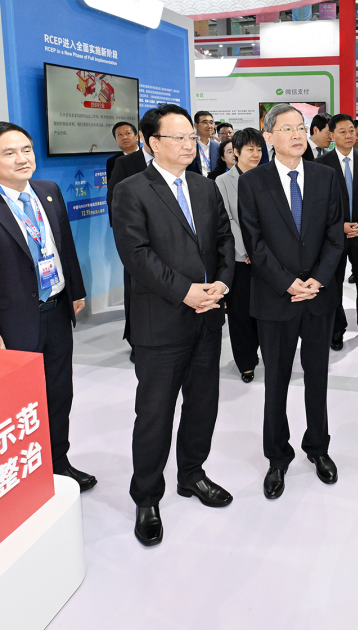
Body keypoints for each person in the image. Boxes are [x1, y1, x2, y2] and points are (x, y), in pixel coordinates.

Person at [0, 121, 95, 492]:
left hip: (56, 312)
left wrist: (74, 291)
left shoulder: (48, 191)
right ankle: (24, 472)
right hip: (9, 325)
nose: (22, 158)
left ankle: (59, 463)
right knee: (16, 403)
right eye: (9, 153)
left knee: (59, 394)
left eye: (26, 149)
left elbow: (63, 246)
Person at [112, 104, 236, 547]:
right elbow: (137, 255)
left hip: (208, 315)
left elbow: (224, 239)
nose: (189, 144)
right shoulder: (131, 190)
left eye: (190, 137)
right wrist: (185, 291)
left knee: (203, 404)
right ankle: (147, 497)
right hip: (161, 322)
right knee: (155, 414)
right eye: (178, 137)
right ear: (153, 143)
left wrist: (222, 283)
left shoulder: (204, 186)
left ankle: (192, 474)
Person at [238, 103, 344, 500]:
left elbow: (335, 234)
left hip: (318, 296)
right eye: (287, 128)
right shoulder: (253, 182)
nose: (297, 134)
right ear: (269, 136)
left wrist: (317, 279)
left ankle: (318, 447)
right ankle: (277, 457)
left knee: (318, 378)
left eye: (301, 127)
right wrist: (288, 284)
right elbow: (254, 243)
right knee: (276, 382)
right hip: (275, 299)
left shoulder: (325, 176)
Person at [319, 114, 358, 350]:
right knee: (333, 282)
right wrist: (339, 225)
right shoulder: (322, 163)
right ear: (332, 135)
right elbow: (319, 203)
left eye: (352, 131)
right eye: (342, 131)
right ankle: (337, 328)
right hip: (335, 236)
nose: (349, 135)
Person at [215, 128, 265, 382]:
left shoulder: (267, 177)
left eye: (259, 149)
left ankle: (267, 352)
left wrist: (262, 250)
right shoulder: (223, 181)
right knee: (240, 314)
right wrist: (247, 250)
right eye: (250, 149)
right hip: (240, 259)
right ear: (236, 152)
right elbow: (227, 220)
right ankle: (246, 361)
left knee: (265, 311)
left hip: (266, 258)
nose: (256, 154)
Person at [107, 113, 158, 355]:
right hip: (138, 241)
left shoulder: (175, 160)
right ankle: (136, 341)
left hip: (168, 239)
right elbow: (113, 202)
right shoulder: (124, 164)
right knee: (136, 290)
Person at [194, 110, 220, 175]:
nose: (209, 126)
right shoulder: (189, 145)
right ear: (196, 125)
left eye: (211, 123)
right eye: (205, 122)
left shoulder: (218, 147)